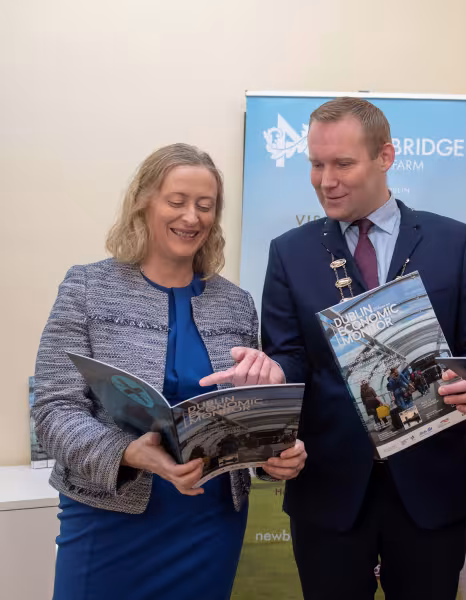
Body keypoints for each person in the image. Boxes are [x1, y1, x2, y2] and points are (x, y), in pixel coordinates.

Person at [32, 143, 307, 600]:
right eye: (177, 201)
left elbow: (246, 413)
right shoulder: (87, 286)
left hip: (209, 524)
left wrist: (274, 458)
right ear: (144, 202)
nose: (192, 217)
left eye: (205, 206)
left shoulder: (236, 303)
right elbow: (53, 410)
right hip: (109, 518)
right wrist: (129, 453)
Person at [260, 97, 466, 600]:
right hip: (328, 488)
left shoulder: (454, 241)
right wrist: (265, 374)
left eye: (342, 163)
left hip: (432, 486)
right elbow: (289, 357)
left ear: (386, 156)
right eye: (316, 164)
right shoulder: (290, 251)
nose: (326, 180)